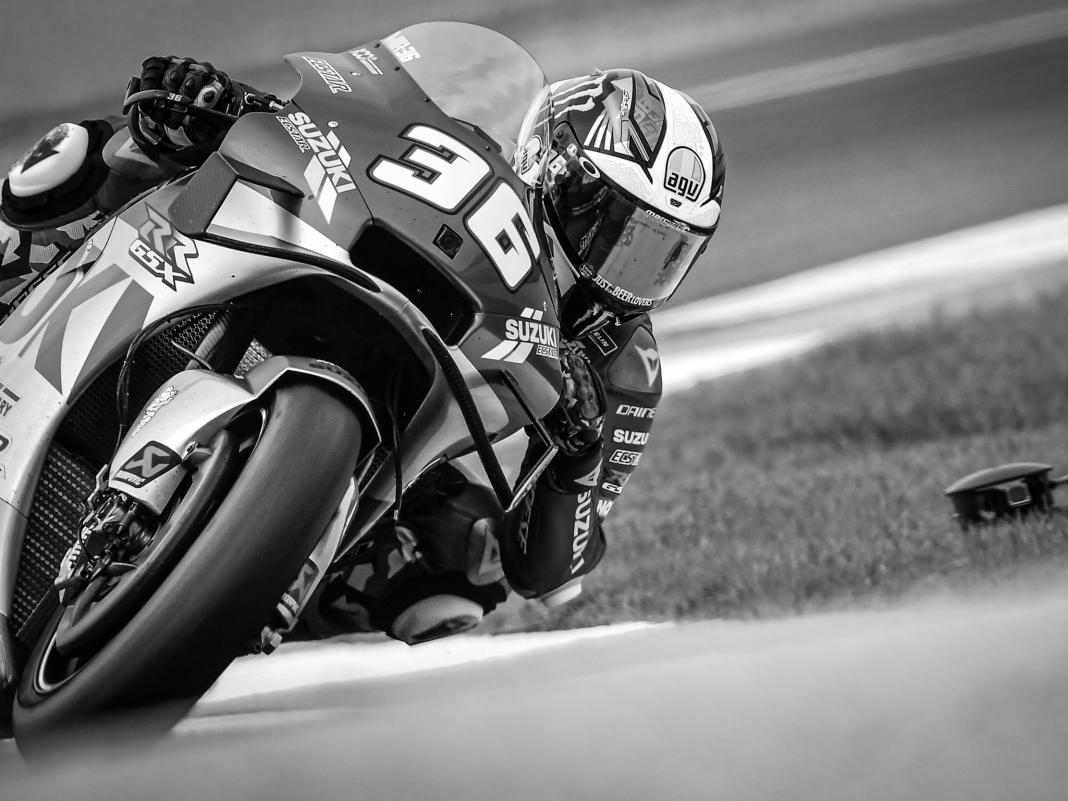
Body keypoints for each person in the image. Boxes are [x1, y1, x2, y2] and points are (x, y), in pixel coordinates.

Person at [0, 56, 726, 644]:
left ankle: (225, 596)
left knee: (463, 565)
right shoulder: (473, 164)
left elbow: (550, 575)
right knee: (85, 154)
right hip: (316, 275)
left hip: (387, 445)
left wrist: (579, 457)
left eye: (661, 255)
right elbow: (336, 126)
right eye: (617, 232)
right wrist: (226, 104)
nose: (624, 278)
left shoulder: (623, 365)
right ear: (554, 172)